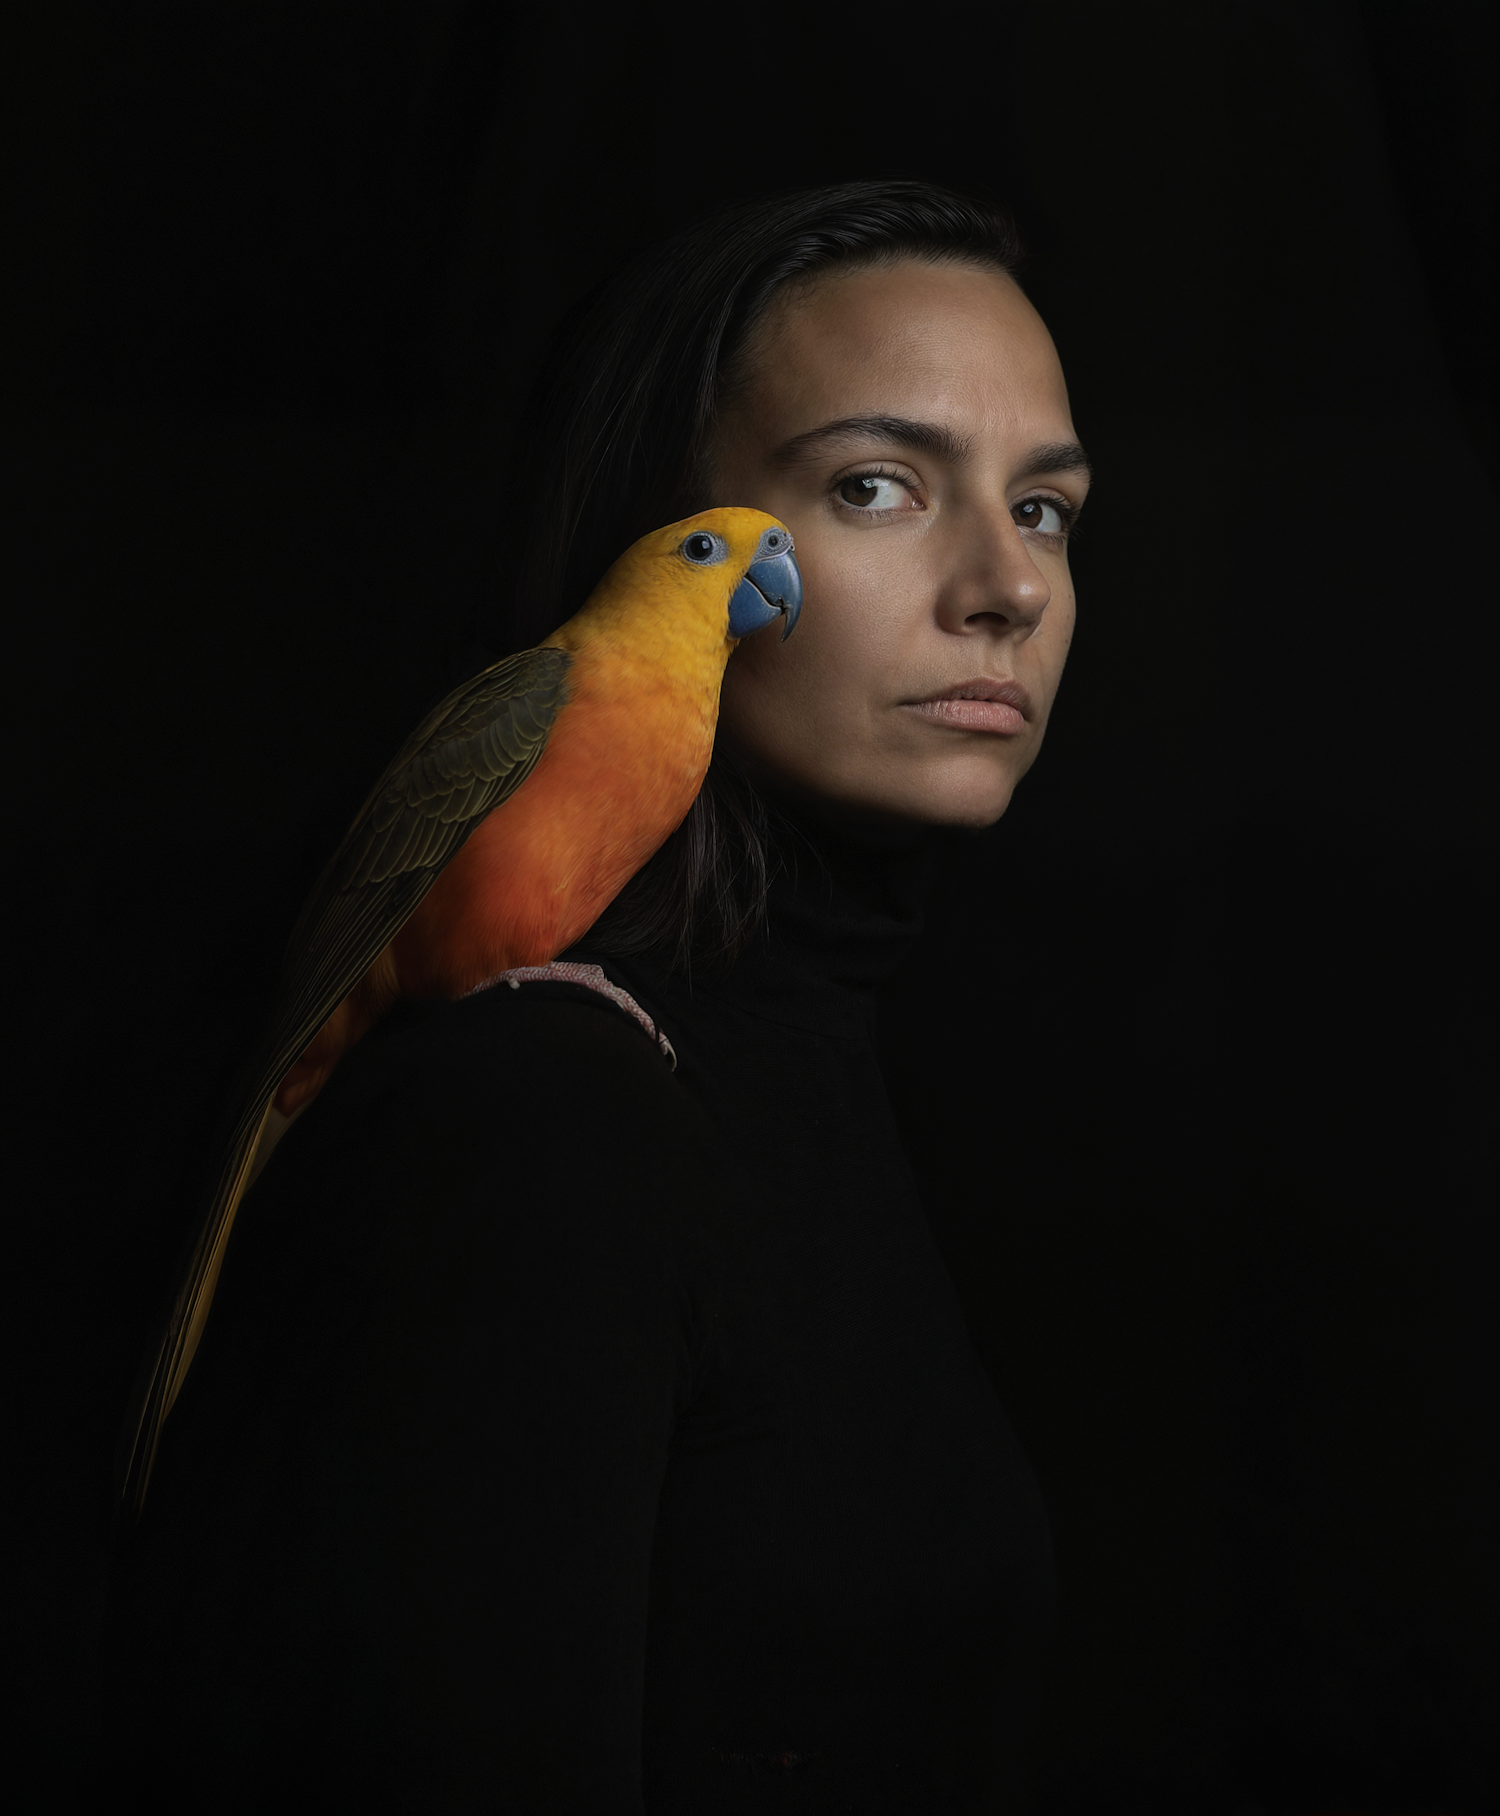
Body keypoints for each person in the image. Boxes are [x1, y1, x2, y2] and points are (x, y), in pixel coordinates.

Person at [99, 179, 1091, 1812]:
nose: (1009, 587)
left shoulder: (821, 1074)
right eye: (874, 486)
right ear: (653, 528)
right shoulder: (544, 1112)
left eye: (1045, 509)